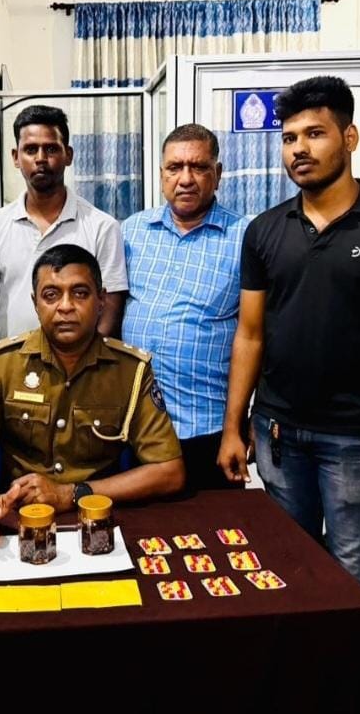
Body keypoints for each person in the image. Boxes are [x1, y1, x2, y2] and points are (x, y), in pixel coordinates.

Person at [218, 76, 360, 601]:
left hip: (357, 437)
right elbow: (250, 334)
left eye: (315, 134)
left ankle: (359, 660)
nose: (299, 149)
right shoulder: (265, 230)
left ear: (349, 138)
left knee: (354, 576)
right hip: (277, 431)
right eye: (289, 138)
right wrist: (233, 427)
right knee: (285, 567)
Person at [0, 244, 185, 547]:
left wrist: (73, 493)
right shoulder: (2, 365)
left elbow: (169, 471)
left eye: (80, 293)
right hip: (21, 524)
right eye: (51, 295)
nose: (65, 306)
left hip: (99, 521)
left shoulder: (131, 371)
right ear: (35, 303)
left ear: (101, 300)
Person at [122, 124, 250, 491]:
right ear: (161, 174)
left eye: (199, 167)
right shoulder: (131, 232)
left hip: (207, 429)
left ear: (218, 173)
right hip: (135, 428)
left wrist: (240, 427)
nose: (186, 178)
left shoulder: (246, 237)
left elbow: (260, 336)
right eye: (175, 167)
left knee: (212, 525)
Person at [0, 104, 127, 338]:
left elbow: (110, 307)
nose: (40, 158)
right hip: (10, 358)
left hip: (81, 361)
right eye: (31, 149)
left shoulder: (102, 227)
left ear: (68, 155)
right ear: (16, 157)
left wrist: (86, 359)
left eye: (51, 149)